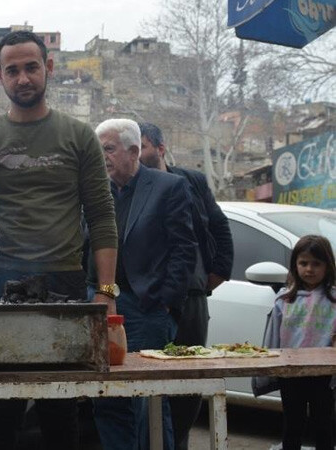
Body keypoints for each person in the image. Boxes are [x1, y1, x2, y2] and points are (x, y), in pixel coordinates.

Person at [0, 30, 118, 450]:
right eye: (12, 70)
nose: (23, 78)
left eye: (31, 67)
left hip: (64, 282)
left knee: (61, 408)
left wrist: (106, 292)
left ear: (48, 69)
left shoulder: (78, 135)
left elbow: (102, 216)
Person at [89, 118, 197, 450]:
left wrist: (164, 303)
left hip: (147, 308)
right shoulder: (95, 191)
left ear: (134, 150)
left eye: (108, 148)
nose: (102, 156)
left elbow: (184, 249)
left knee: (147, 400)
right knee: (106, 398)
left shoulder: (169, 187)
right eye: (99, 149)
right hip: (100, 304)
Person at [138, 122, 234, 450]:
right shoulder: (128, 188)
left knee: (189, 376)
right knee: (149, 382)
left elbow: (219, 226)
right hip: (149, 298)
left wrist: (218, 271)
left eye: (143, 146)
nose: (137, 154)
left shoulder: (191, 181)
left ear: (161, 149)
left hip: (191, 295)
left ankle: (177, 442)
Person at [269, 235, 336, 450]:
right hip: (291, 374)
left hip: (324, 376)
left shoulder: (334, 300)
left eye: (316, 264)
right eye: (303, 263)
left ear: (328, 266)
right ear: (295, 265)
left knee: (324, 426)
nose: (309, 269)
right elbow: (273, 341)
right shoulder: (284, 300)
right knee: (292, 426)